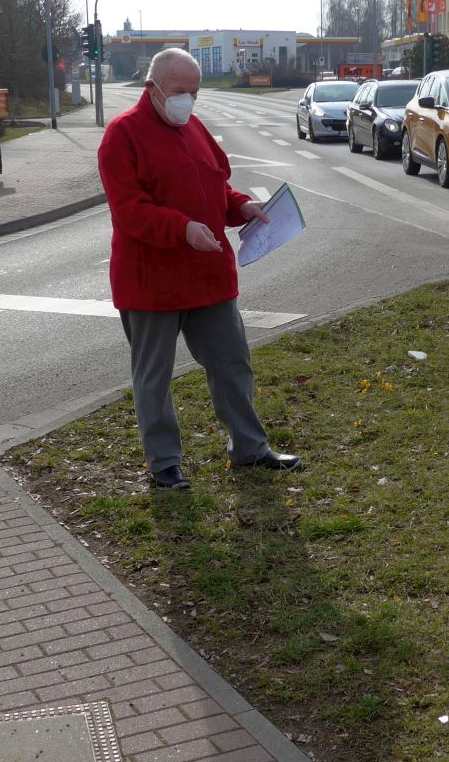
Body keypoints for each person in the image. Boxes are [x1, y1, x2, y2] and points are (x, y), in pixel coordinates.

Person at [97, 47, 301, 491]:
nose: (187, 101)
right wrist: (183, 228)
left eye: (194, 92)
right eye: (178, 92)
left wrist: (241, 206)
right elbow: (129, 210)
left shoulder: (193, 127)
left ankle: (249, 447)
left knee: (232, 363)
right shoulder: (122, 134)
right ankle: (164, 463)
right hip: (150, 283)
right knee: (154, 377)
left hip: (208, 277)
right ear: (152, 88)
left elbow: (215, 187)